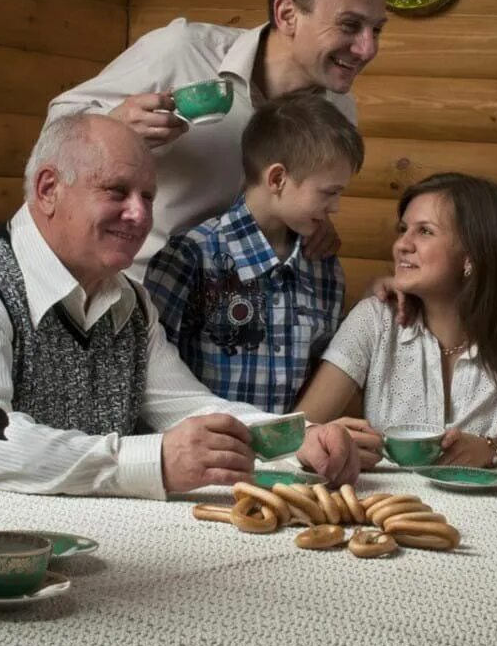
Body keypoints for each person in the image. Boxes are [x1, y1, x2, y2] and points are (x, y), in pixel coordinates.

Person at [0, 113, 359, 498]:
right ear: (48, 189)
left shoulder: (130, 299)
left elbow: (185, 406)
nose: (140, 216)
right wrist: (151, 460)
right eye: (117, 191)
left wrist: (295, 438)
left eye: (147, 197)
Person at [47, 0, 387, 278]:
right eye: (349, 25)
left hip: (229, 314)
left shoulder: (340, 112)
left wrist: (312, 223)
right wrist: (113, 126)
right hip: (127, 289)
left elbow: (280, 200)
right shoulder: (181, 51)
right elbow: (56, 126)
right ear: (287, 15)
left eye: (376, 29)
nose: (368, 48)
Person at [295, 173, 497, 468]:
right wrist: (330, 440)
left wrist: (490, 450)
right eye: (403, 229)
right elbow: (302, 428)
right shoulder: (374, 319)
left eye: (424, 231)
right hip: (385, 508)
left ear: (471, 255)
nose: (402, 245)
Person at [145, 90, 363, 414]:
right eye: (328, 192)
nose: (336, 207)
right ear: (277, 178)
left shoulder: (324, 268)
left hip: (290, 459)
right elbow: (151, 378)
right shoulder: (190, 257)